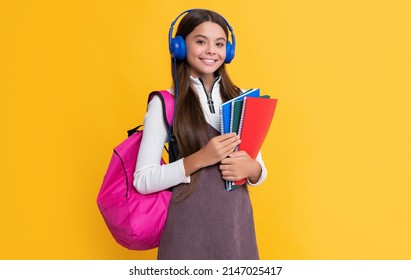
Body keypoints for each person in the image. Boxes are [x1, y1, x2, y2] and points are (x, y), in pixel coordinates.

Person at [133, 9, 267, 260]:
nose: (211, 50)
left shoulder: (243, 97)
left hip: (235, 228)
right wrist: (201, 158)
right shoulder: (165, 103)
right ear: (180, 46)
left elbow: (259, 168)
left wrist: (251, 169)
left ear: (228, 51)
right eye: (201, 41)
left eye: (219, 44)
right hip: (187, 228)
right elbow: (142, 179)